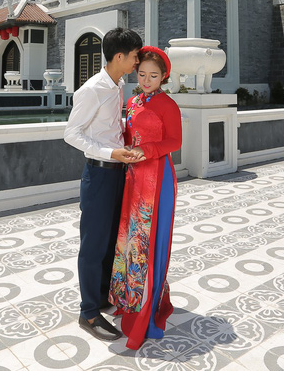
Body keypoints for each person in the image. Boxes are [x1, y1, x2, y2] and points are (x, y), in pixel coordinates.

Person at [64, 27, 143, 342]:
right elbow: (72, 134)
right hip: (98, 174)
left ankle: (103, 296)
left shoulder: (118, 83)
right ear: (120, 56)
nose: (138, 62)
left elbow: (110, 125)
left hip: (117, 173)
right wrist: (111, 152)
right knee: (93, 244)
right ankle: (88, 312)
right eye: (135, 56)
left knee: (111, 238)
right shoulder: (93, 89)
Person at [109, 45, 182, 350]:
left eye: (154, 75)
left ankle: (148, 308)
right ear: (136, 73)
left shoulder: (167, 104)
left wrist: (147, 151)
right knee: (129, 237)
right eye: (142, 74)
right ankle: (129, 297)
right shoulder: (133, 100)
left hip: (158, 177)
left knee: (150, 240)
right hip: (133, 176)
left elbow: (175, 141)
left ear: (164, 76)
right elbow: (128, 134)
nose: (147, 79)